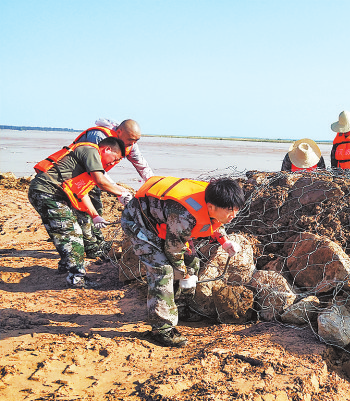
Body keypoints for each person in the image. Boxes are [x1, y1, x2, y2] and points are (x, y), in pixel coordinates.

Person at [121, 176, 245, 347]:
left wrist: (224, 241)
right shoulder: (184, 214)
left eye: (237, 209)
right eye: (230, 210)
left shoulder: (213, 201)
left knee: (192, 261)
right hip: (140, 223)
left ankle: (177, 306)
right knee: (162, 271)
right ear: (211, 207)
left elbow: (214, 221)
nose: (234, 215)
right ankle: (161, 329)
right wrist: (184, 275)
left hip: (168, 226)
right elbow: (173, 249)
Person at [28, 137, 131, 288]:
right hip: (48, 193)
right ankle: (77, 278)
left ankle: (65, 265)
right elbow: (101, 181)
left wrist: (95, 216)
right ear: (107, 149)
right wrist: (121, 194)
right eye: (115, 159)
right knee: (72, 233)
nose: (113, 164)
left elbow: (82, 193)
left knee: (62, 232)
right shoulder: (91, 151)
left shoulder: (85, 164)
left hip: (44, 192)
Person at [73, 119, 155, 258]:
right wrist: (119, 192)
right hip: (76, 175)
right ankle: (91, 248)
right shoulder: (99, 137)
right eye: (131, 140)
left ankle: (98, 242)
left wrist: (153, 184)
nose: (133, 144)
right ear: (119, 132)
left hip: (93, 177)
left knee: (97, 208)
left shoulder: (130, 142)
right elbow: (97, 170)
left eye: (136, 140)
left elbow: (141, 164)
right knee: (84, 211)